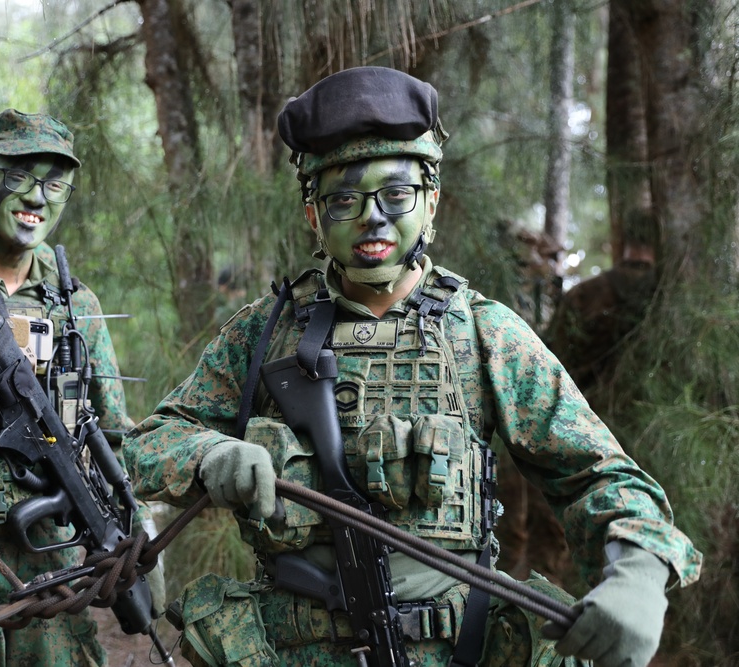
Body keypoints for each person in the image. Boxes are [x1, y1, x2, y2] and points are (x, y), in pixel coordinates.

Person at [124, 68, 701, 667]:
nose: (373, 217)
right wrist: (210, 455)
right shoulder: (264, 330)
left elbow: (600, 477)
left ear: (431, 202)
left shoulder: (483, 331)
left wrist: (637, 572)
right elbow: (146, 445)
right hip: (283, 648)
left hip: (455, 647)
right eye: (344, 198)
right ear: (313, 216)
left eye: (395, 194)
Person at [0, 109, 162, 666]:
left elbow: (111, 428)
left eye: (54, 184)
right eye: (18, 176)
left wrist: (137, 523)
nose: (36, 198)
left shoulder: (75, 307)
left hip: (47, 565)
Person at [546, 208, 659, 400]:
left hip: (582, 414)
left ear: (620, 241)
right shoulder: (670, 298)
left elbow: (552, 360)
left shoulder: (582, 294)